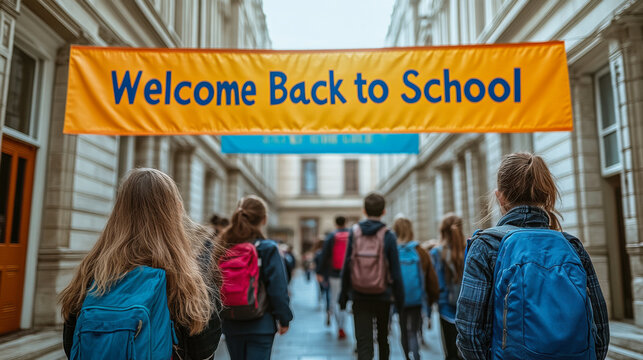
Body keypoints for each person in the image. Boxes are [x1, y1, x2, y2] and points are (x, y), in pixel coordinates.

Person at [455, 153, 610, 360]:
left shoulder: (485, 245)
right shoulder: (572, 246)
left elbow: (469, 332)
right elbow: (600, 328)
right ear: (546, 194)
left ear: (500, 196)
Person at [59, 168, 221, 360]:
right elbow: (204, 348)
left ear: (120, 210)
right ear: (174, 211)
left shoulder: (93, 269)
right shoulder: (186, 275)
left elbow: (72, 343)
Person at [220, 195, 293, 360]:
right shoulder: (268, 248)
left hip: (231, 323)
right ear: (264, 219)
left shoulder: (224, 246)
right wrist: (284, 318)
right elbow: (278, 289)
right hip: (262, 323)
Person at [339, 193, 404, 360]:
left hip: (359, 294)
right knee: (383, 338)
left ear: (364, 211)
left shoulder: (354, 232)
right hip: (383, 294)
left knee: (363, 341)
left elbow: (347, 264)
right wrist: (400, 299)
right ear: (383, 211)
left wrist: (343, 296)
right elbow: (396, 270)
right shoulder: (388, 235)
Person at [393, 217, 440, 360]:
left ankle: (407, 356)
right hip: (417, 298)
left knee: (403, 330)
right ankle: (417, 355)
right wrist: (432, 298)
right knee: (413, 330)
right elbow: (431, 278)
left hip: (399, 298)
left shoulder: (392, 251)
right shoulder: (420, 251)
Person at [430, 214, 465, 360]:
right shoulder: (469, 249)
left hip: (446, 307)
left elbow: (436, 283)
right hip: (466, 308)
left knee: (450, 352)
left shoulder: (436, 253)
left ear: (442, 231)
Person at [319, 215, 350, 339]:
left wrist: (320, 272)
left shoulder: (331, 236)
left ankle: (340, 327)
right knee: (346, 302)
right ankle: (344, 324)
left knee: (335, 300)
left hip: (335, 273)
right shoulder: (352, 234)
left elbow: (324, 255)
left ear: (335, 223)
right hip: (349, 274)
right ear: (346, 222)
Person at [313, 239, 331, 325]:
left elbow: (316, 266)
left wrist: (317, 274)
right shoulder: (328, 253)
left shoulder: (318, 253)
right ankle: (328, 309)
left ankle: (321, 301)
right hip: (329, 276)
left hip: (321, 276)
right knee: (328, 293)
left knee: (322, 290)